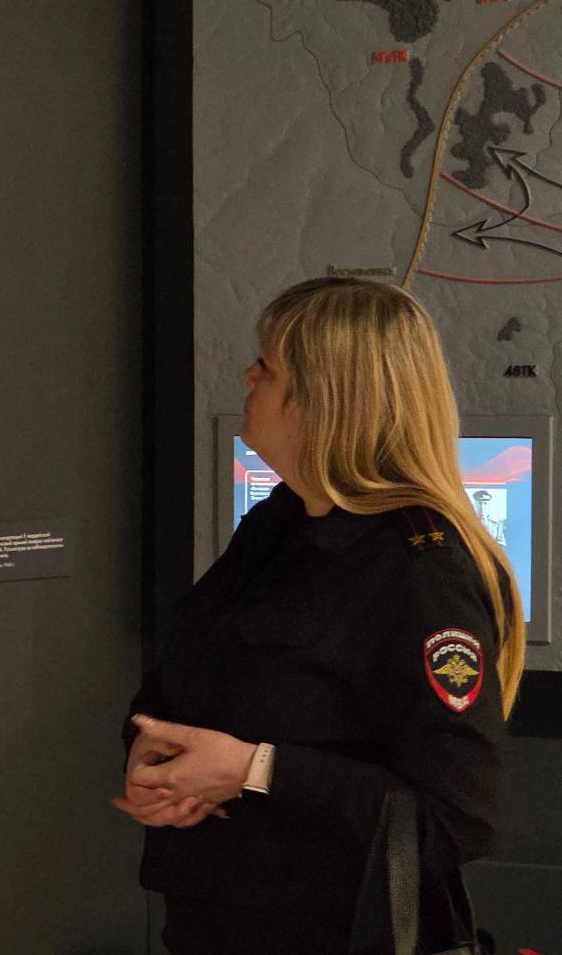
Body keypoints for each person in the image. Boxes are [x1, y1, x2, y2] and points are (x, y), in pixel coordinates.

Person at [113, 278, 524, 953]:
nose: (248, 377)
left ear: (325, 398)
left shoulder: (421, 568)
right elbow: (189, 672)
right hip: (214, 921)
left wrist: (254, 770)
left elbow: (461, 817)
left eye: (268, 366)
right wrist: (151, 752)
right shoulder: (278, 523)